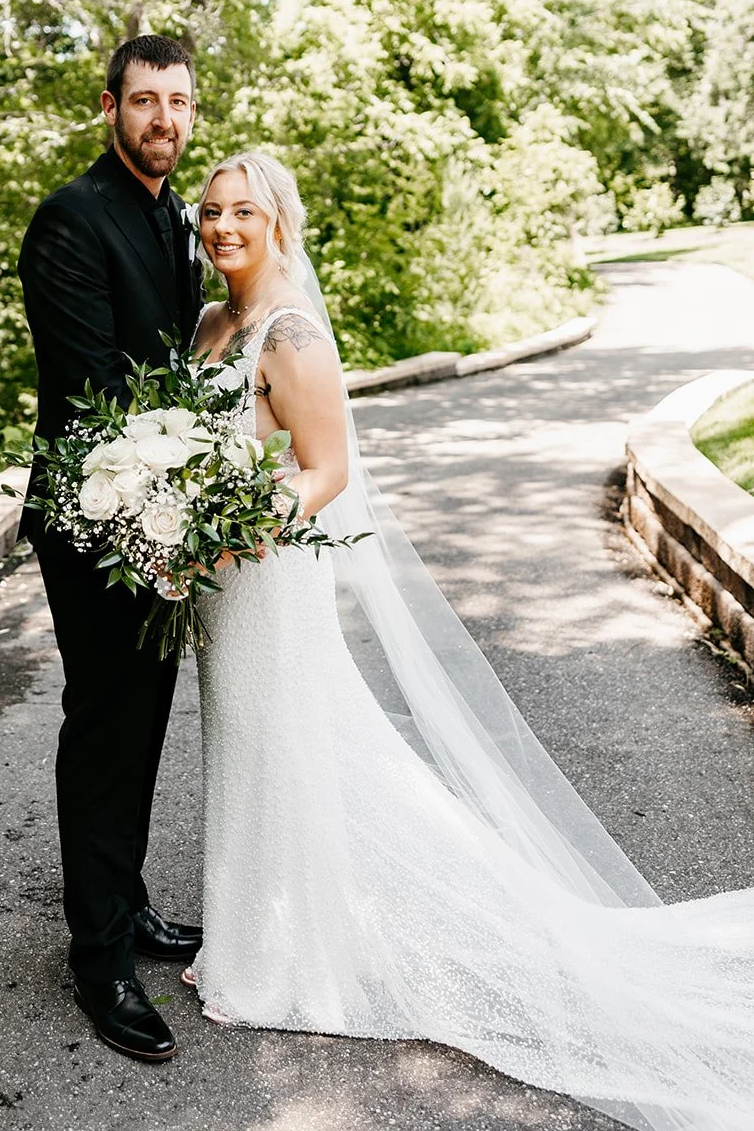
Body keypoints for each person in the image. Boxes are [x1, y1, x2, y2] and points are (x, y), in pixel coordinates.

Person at [186, 150, 754, 1131]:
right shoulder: (207, 324)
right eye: (209, 212)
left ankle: (293, 959)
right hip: (214, 589)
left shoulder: (290, 332)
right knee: (243, 745)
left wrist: (226, 534)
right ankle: (252, 933)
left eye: (243, 210)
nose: (223, 226)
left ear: (279, 218)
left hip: (266, 575)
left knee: (291, 744)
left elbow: (322, 471)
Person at [17, 34, 205, 1063]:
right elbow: (93, 393)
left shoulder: (177, 215)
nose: (163, 120)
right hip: (95, 522)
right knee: (103, 726)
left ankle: (125, 903)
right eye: (145, 102)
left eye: (178, 103)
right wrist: (161, 507)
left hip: (164, 522)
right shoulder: (71, 220)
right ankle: (97, 958)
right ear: (110, 108)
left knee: (144, 722)